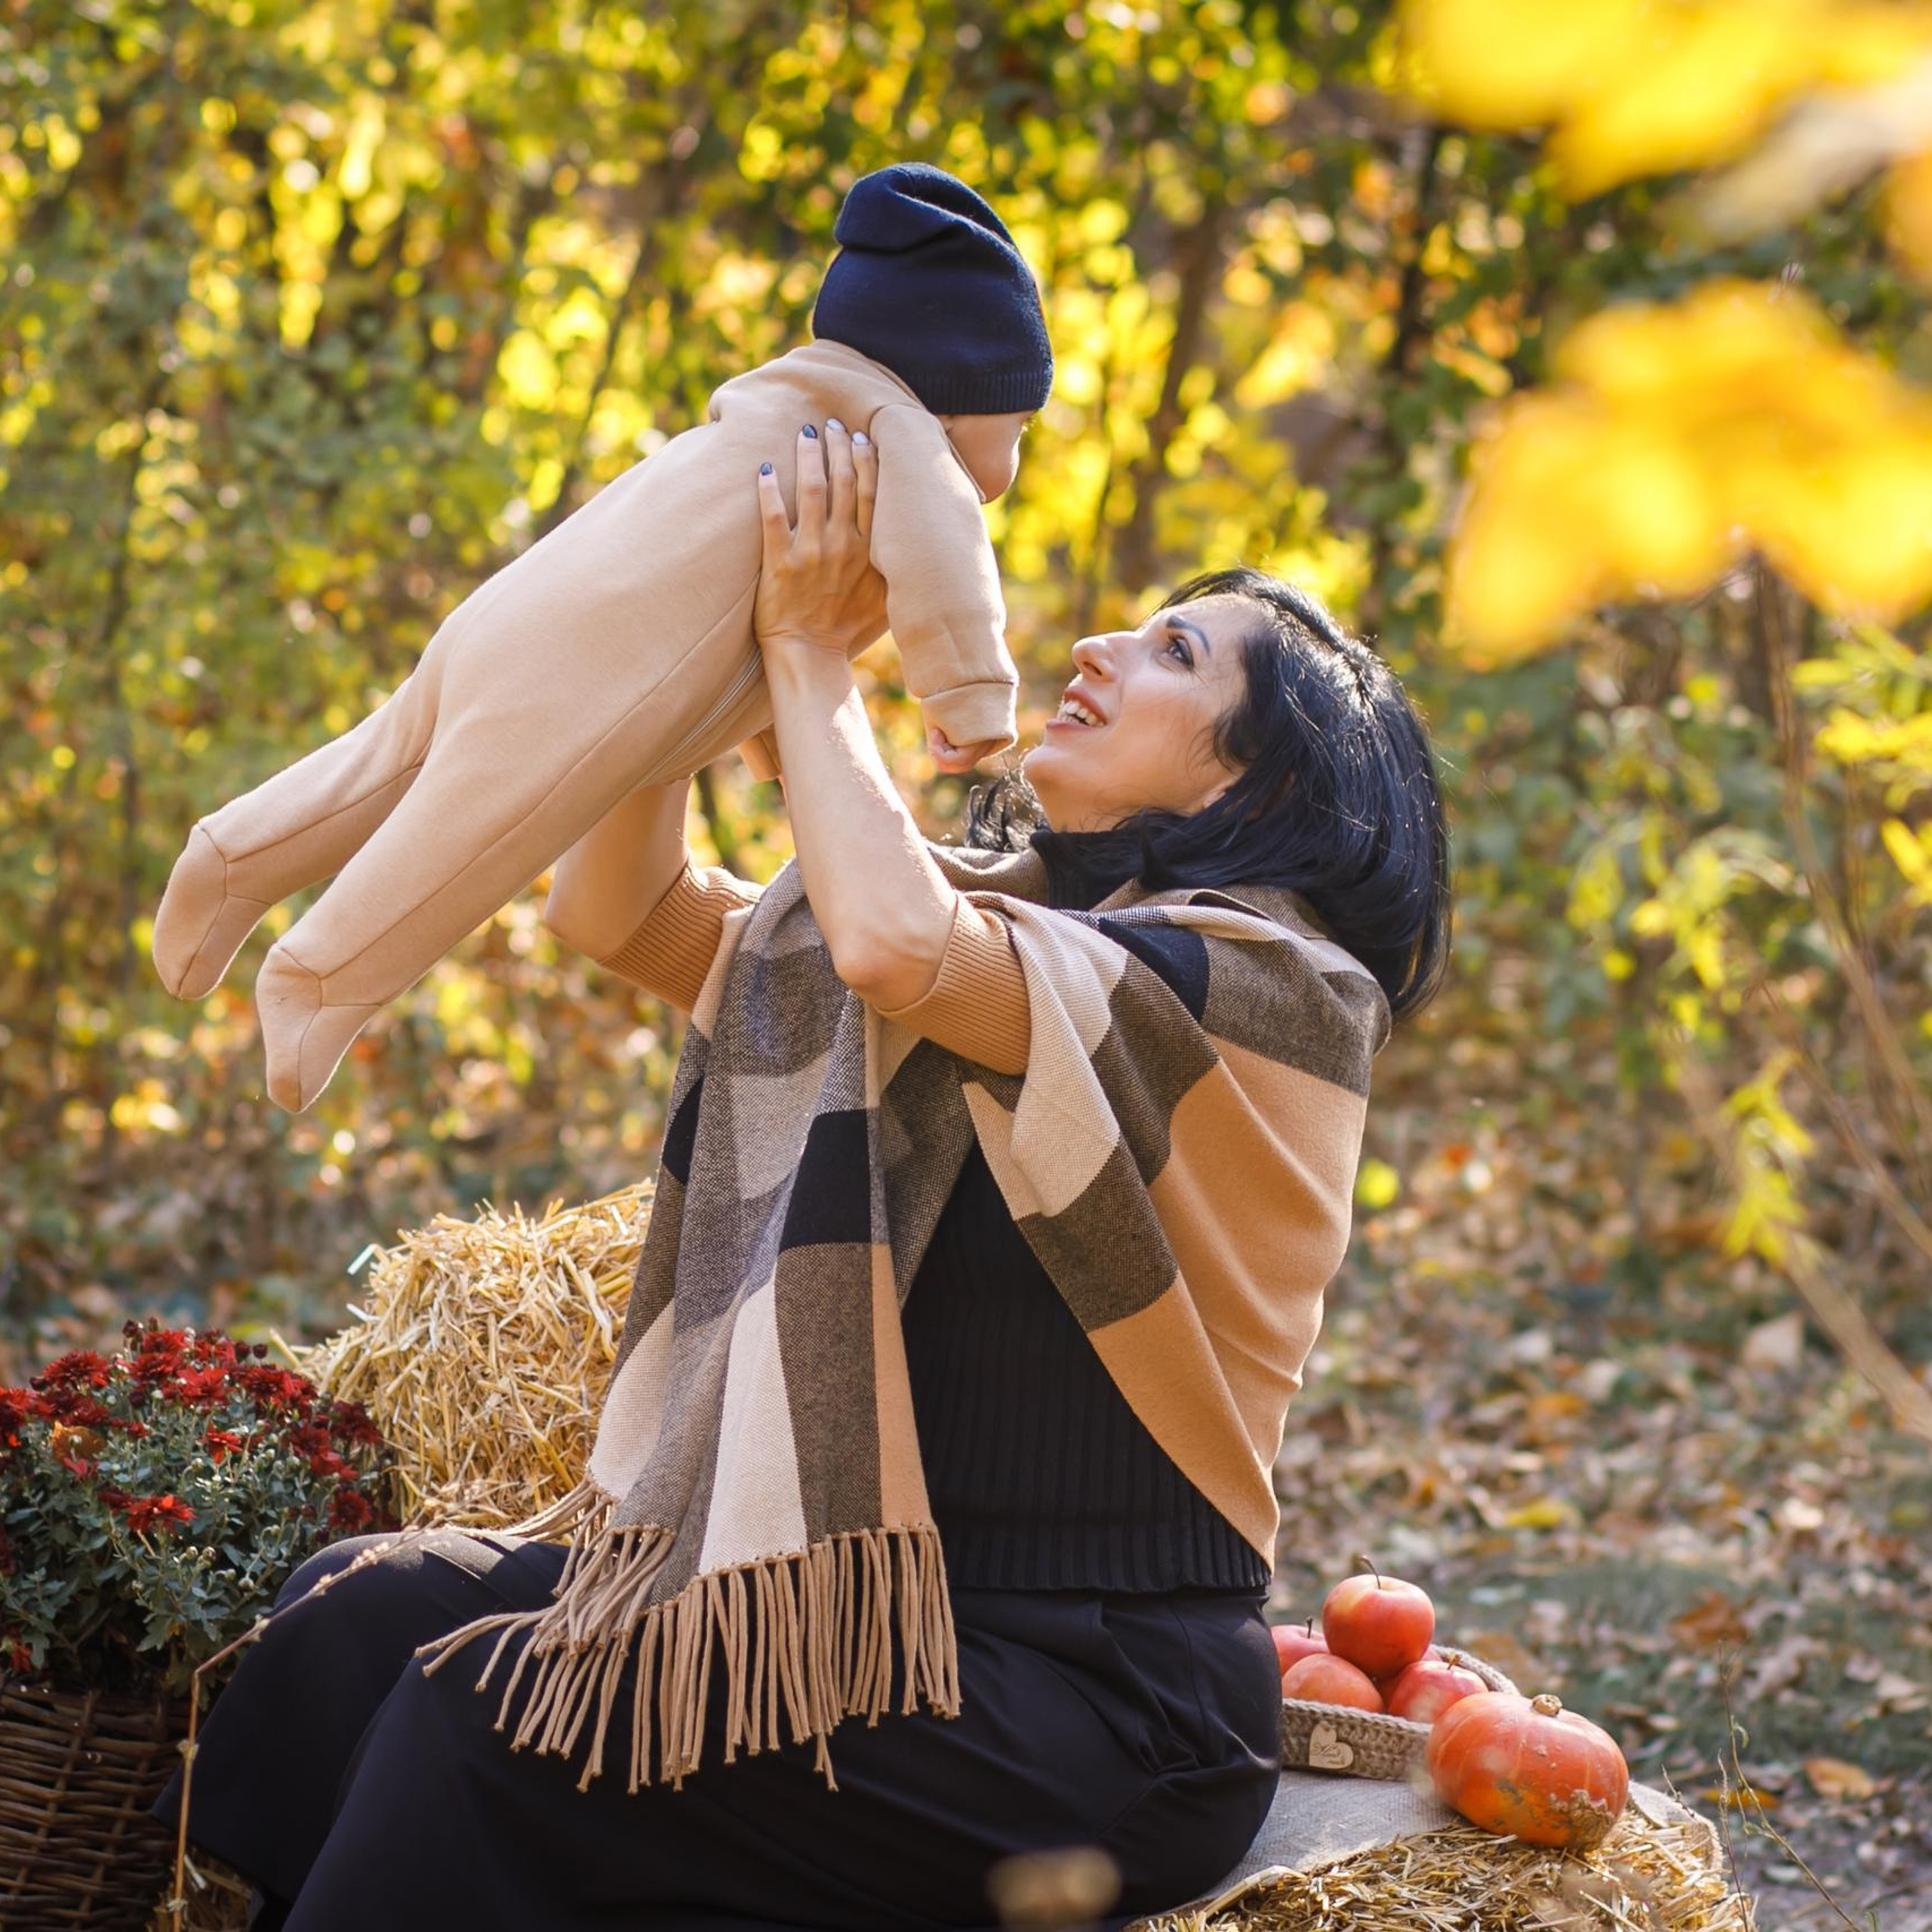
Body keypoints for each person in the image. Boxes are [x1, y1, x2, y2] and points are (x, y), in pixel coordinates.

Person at [154, 419, 1453, 1932]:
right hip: (861, 1609)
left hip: (1099, 1712)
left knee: (497, 1713)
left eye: (1172, 653)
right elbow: (618, 905)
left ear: (1268, 780)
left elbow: (891, 939)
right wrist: (686, 636)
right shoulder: (1010, 934)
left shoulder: (1270, 995)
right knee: (357, 1616)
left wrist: (809, 654)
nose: (1098, 644)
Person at [148, 162, 1049, 1115]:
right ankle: (323, 977)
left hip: (526, 608)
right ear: (950, 400)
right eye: (1017, 427)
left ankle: (233, 857)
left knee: (383, 764)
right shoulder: (902, 441)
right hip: (582, 671)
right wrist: (969, 703)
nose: (1012, 462)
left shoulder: (783, 403)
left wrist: (774, 742)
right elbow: (946, 568)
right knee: (468, 833)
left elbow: (732, 613)